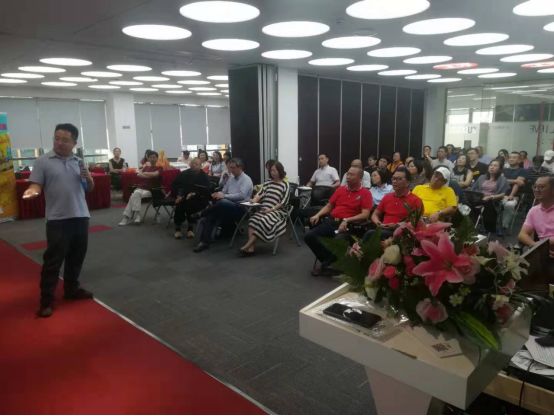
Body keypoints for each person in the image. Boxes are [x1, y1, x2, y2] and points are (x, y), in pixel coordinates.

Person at [23, 123, 95, 318]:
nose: (59, 143)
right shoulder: (43, 161)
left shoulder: (79, 161)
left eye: (65, 140)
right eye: (56, 138)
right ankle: (46, 301)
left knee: (76, 258)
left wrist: (89, 178)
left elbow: (89, 188)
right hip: (58, 220)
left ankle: (71, 289)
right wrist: (32, 191)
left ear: (74, 143)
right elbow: (36, 184)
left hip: (81, 216)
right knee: (53, 262)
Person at [305, 166, 372, 276]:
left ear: (360, 178)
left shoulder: (365, 193)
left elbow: (365, 214)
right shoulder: (340, 189)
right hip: (332, 221)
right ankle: (330, 262)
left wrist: (347, 220)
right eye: (348, 174)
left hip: (349, 226)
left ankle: (326, 265)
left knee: (338, 240)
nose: (348, 176)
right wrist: (318, 215)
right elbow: (329, 206)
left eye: (352, 175)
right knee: (309, 236)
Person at [193, 158, 253, 253]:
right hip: (227, 206)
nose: (231, 170)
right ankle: (204, 242)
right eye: (230, 168)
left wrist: (224, 196)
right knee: (212, 214)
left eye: (233, 168)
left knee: (222, 203)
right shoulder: (231, 178)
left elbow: (242, 196)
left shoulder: (246, 179)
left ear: (240, 167)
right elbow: (224, 191)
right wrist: (218, 194)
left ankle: (202, 213)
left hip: (240, 208)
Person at [239, 161, 290, 256]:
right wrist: (254, 199)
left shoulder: (285, 184)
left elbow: (283, 202)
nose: (272, 173)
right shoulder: (268, 182)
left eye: (274, 170)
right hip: (264, 209)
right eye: (271, 171)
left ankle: (247, 245)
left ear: (280, 171)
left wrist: (271, 210)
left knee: (264, 220)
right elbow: (260, 193)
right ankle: (251, 249)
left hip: (277, 211)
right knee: (252, 220)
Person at [367, 167, 423, 241]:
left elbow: (416, 222)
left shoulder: (416, 200)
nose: (394, 181)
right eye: (393, 178)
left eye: (399, 179)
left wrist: (397, 225)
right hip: (383, 229)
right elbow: (375, 214)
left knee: (370, 234)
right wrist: (378, 223)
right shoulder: (387, 197)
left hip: (402, 233)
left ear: (407, 182)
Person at [118, 151, 162, 225]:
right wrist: (148, 175)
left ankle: (127, 217)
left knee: (134, 195)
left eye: (154, 157)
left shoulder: (159, 168)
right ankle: (137, 215)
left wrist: (144, 174)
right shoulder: (146, 167)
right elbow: (138, 174)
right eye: (151, 157)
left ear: (157, 158)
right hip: (141, 188)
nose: (152, 159)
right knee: (136, 193)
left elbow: (155, 174)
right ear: (148, 158)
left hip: (152, 190)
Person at [172, 157, 210, 239]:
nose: (194, 165)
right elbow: (176, 185)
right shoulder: (184, 174)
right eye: (193, 163)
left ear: (200, 166)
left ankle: (190, 228)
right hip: (183, 196)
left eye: (196, 164)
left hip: (198, 198)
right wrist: (179, 195)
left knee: (190, 203)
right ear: (190, 164)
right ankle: (178, 229)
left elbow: (206, 190)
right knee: (180, 203)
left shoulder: (204, 176)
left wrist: (194, 193)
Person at [471, 160, 509, 234]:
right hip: (479, 198)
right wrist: (479, 196)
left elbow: (503, 194)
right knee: (467, 202)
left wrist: (491, 197)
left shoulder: (502, 179)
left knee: (488, 203)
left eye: (495, 166)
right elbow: (474, 189)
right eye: (491, 165)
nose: (492, 167)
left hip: (493, 201)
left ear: (499, 169)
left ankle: (488, 228)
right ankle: (469, 225)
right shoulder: (482, 177)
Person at [519, 176, 554, 252]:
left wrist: (544, 245)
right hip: (543, 250)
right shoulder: (534, 211)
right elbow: (522, 234)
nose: (536, 190)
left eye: (541, 187)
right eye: (535, 187)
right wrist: (536, 246)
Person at [500, 152, 527, 234]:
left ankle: (504, 226)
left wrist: (510, 195)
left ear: (519, 160)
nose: (511, 159)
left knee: (509, 205)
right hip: (500, 193)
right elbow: (501, 181)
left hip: (514, 195)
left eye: (514, 157)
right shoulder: (503, 170)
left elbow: (518, 184)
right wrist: (515, 180)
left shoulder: (522, 171)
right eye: (510, 157)